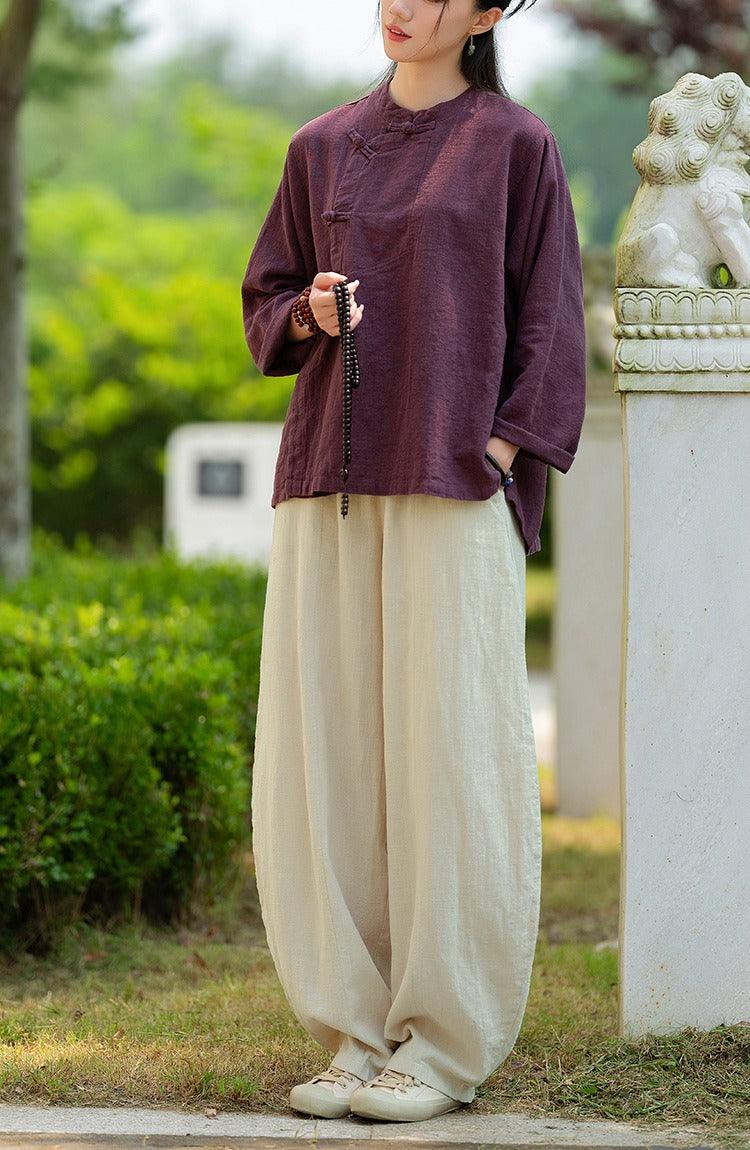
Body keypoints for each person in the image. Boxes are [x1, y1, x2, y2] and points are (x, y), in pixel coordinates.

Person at [241, 0, 587, 1126]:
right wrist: (309, 312)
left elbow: (552, 316)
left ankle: (441, 1043)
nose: (402, 6)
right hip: (328, 482)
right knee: (328, 760)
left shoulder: (517, 145)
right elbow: (265, 299)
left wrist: (501, 448)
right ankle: (350, 1031)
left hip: (452, 484)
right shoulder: (320, 145)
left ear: (486, 11)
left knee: (450, 761)